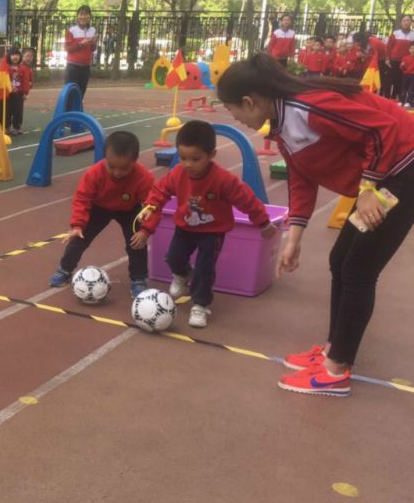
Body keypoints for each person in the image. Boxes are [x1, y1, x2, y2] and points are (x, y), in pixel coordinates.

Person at [218, 53, 414, 396]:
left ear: (249, 102)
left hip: (404, 169)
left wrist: (368, 188)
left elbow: (383, 129)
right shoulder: (282, 123)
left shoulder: (309, 106)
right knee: (340, 260)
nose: (235, 117)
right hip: (386, 175)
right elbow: (301, 177)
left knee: (359, 269)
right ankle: (333, 350)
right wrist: (294, 237)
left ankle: (336, 370)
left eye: (233, 110)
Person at [133, 120, 276, 329]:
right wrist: (150, 207)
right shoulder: (178, 173)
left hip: (212, 232)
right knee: (173, 257)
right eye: (182, 158)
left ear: (211, 155)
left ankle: (200, 305)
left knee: (204, 268)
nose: (188, 164)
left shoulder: (223, 180)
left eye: (195, 159)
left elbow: (247, 200)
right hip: (184, 228)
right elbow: (159, 191)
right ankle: (182, 274)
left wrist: (263, 223)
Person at [48, 131, 154, 297]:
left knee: (136, 243)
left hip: (129, 210)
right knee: (79, 238)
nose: (117, 173)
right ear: (104, 158)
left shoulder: (144, 178)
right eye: (111, 167)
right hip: (99, 208)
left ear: (135, 161)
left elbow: (152, 206)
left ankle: (138, 278)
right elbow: (82, 199)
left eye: (124, 168)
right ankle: (65, 269)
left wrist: (145, 231)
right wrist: (77, 225)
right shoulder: (94, 173)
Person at [64, 6, 97, 103]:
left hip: (86, 67)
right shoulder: (72, 30)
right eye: (81, 14)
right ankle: (68, 111)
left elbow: (92, 49)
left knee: (81, 94)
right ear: (77, 16)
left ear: (90, 17)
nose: (83, 17)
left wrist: (93, 42)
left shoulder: (92, 30)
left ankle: (78, 110)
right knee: (70, 93)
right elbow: (67, 48)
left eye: (86, 14)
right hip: (73, 67)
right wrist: (81, 44)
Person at [385, 15, 414, 100]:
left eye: (408, 20)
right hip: (393, 60)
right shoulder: (395, 33)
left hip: (406, 62)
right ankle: (386, 98)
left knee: (401, 81)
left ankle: (396, 98)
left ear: (411, 22)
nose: (406, 22)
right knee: (390, 80)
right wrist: (387, 59)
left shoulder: (413, 35)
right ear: (401, 22)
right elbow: (389, 46)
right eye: (404, 21)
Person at [9, 47, 32, 135]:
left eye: (17, 55)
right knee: (9, 110)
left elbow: (26, 81)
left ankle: (17, 127)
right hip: (9, 93)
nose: (15, 57)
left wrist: (25, 93)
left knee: (18, 110)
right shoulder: (7, 67)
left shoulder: (23, 68)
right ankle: (8, 126)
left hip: (19, 93)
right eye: (27, 56)